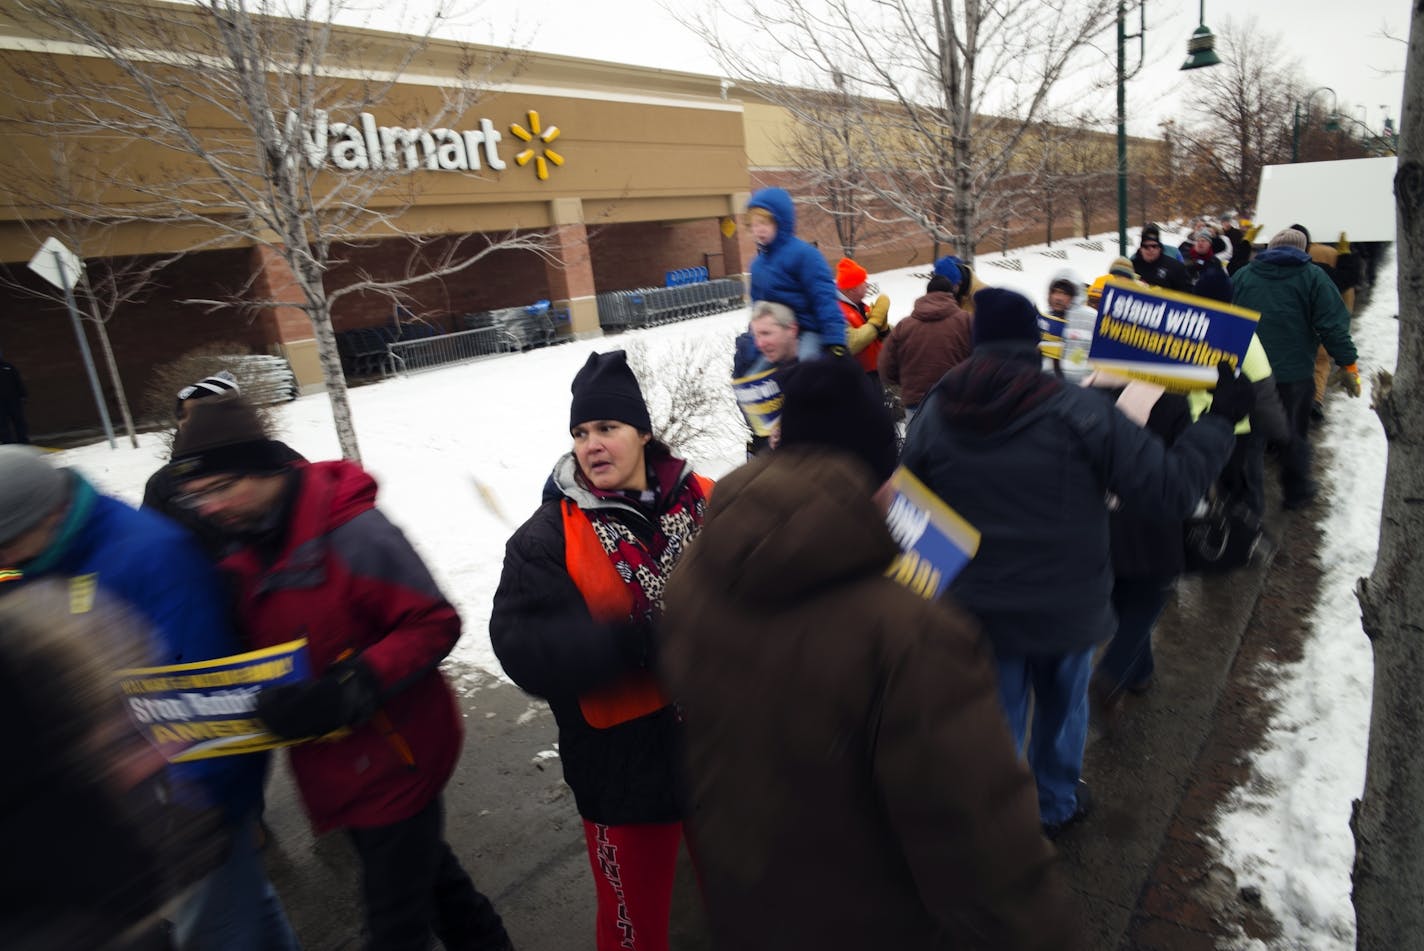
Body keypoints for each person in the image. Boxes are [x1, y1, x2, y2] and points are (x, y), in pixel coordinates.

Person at [660, 357, 1080, 951]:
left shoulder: (698, 574)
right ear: (880, 475)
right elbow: (984, 851)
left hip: (738, 908)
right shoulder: (912, 636)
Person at [899, 288, 1250, 837]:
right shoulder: (1078, 410)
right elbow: (1170, 490)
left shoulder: (933, 414)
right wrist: (1220, 421)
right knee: (1062, 712)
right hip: (1069, 607)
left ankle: (998, 818)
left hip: (979, 612)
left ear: (975, 344)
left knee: (997, 718)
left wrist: (937, 597)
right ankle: (1055, 803)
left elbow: (911, 510)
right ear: (1037, 345)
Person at [166, 396, 512, 951]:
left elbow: (433, 622)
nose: (209, 506)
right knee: (439, 889)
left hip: (397, 758)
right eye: (197, 494)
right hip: (335, 765)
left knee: (394, 925)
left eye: (222, 486)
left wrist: (352, 686)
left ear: (264, 469)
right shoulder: (241, 546)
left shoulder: (353, 532)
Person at [0, 445, 299, 951]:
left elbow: (210, 693)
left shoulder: (149, 554)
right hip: (124, 805)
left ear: (47, 515)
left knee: (216, 934)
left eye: (6, 543)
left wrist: (207, 808)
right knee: (243, 918)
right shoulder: (42, 560)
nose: (2, 557)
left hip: (184, 807)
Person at [490, 351, 713, 951]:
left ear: (643, 432)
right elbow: (521, 648)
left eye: (607, 428)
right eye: (581, 433)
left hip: (719, 754)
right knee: (635, 929)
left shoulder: (708, 501)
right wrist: (628, 641)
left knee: (730, 906)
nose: (592, 444)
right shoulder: (545, 539)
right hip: (624, 775)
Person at [1232, 227, 1360, 510]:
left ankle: (1248, 506)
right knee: (1292, 435)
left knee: (1250, 438)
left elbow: (1224, 317)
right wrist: (1348, 363)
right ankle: (1296, 492)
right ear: (1303, 250)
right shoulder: (1314, 277)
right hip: (1295, 376)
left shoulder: (1243, 276)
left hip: (1250, 373)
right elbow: (1332, 325)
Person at [143, 371, 303, 555]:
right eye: (182, 415)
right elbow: (150, 545)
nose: (187, 422)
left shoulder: (278, 457)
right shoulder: (163, 483)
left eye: (198, 412)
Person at [745, 187, 846, 359]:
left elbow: (823, 297)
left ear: (780, 222)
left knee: (807, 366)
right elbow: (757, 306)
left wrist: (835, 338)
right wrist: (756, 337)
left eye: (764, 223)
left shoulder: (805, 255)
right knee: (755, 377)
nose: (758, 230)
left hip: (808, 330)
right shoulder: (757, 265)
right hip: (777, 336)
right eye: (754, 225)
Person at [879, 272, 972, 421]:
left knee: (919, 444)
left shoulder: (904, 326)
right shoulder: (966, 321)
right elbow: (982, 359)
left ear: (927, 294)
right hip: (955, 401)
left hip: (916, 404)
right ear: (951, 294)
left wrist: (907, 382)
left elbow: (886, 367)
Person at [833, 257, 891, 382]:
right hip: (854, 381)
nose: (867, 285)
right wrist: (875, 324)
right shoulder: (836, 311)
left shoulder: (860, 306)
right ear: (853, 288)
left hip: (872, 375)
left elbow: (886, 337)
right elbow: (851, 343)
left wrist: (885, 330)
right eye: (863, 281)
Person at [1044, 269, 1097, 384]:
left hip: (1083, 389)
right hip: (1048, 389)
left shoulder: (1090, 318)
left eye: (1064, 293)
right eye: (1056, 292)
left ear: (1075, 296)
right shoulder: (1044, 320)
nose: (1058, 298)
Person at [1130, 224, 1190, 293]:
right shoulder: (1132, 265)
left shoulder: (1175, 268)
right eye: (1146, 246)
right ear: (1141, 248)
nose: (1150, 250)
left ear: (1159, 248)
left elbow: (1187, 295)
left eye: (1154, 246)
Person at [1185, 229, 1233, 303]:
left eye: (1203, 241)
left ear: (1209, 244)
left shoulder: (1214, 262)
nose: (1200, 243)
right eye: (1198, 241)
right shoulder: (1186, 256)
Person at [0, 352, 28, 444]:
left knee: (19, 421)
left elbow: (17, 381)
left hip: (13, 400)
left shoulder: (9, 367)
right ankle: (8, 444)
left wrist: (23, 395)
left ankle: (23, 442)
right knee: (3, 424)